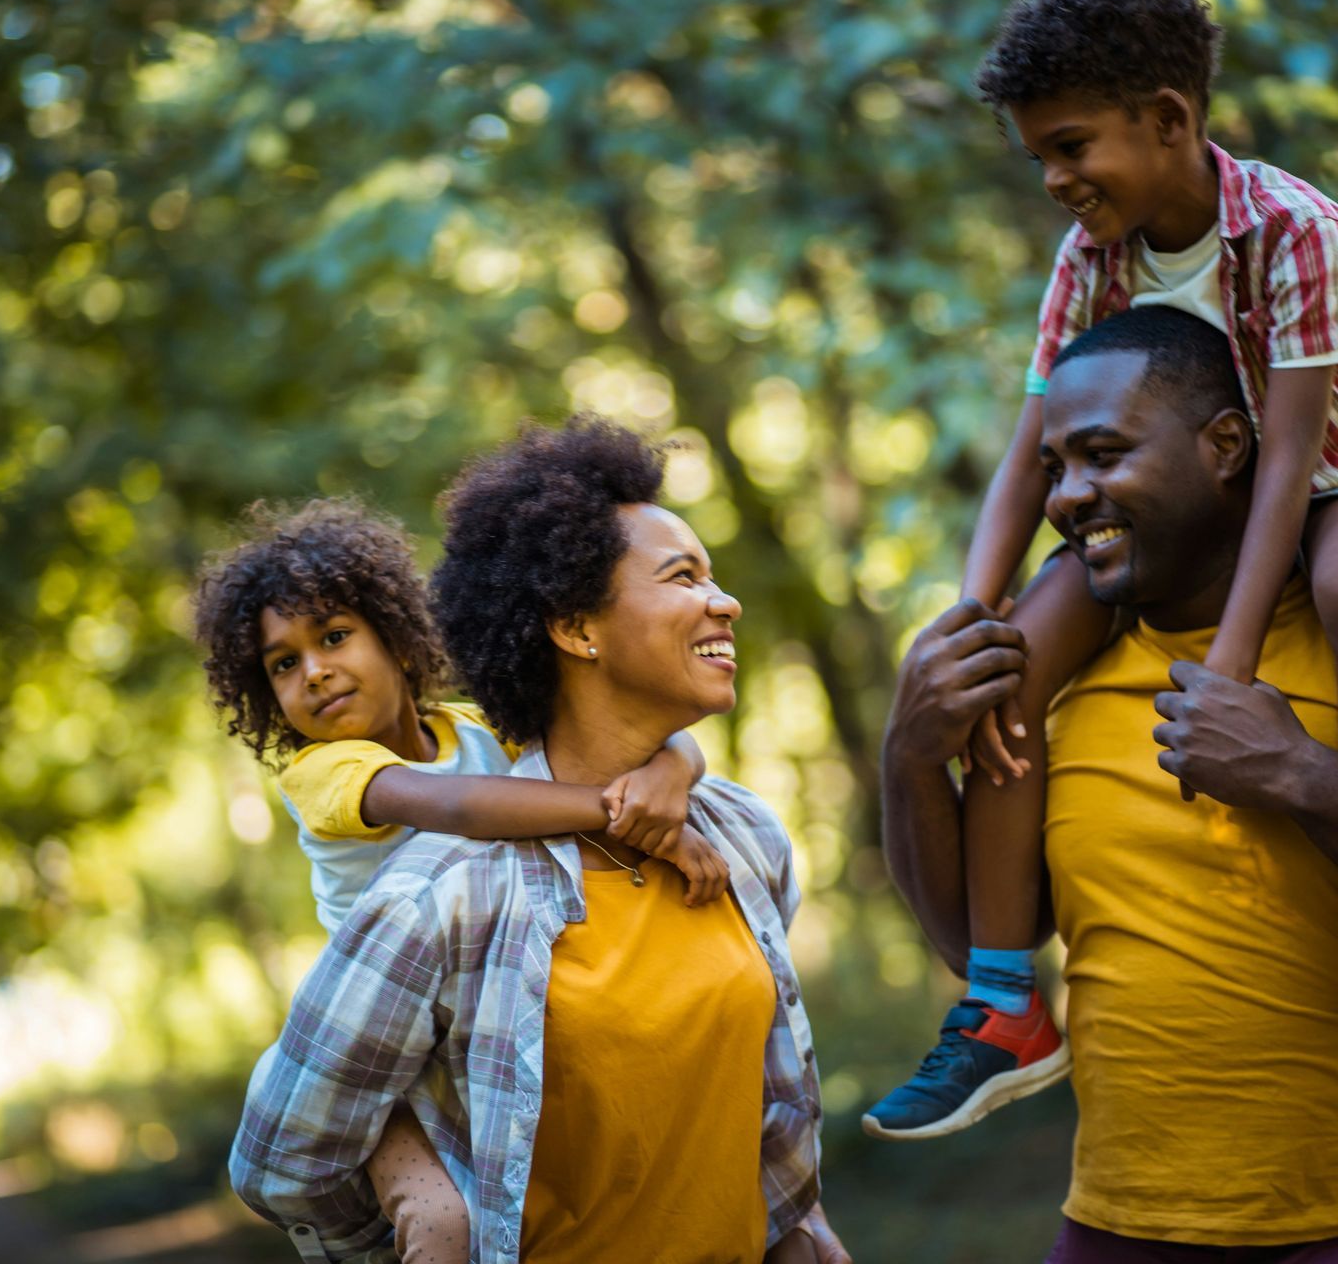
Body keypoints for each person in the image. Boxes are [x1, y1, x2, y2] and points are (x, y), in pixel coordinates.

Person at [868, 0, 1338, 1140]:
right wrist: (971, 613)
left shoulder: (1299, 229)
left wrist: (1229, 668)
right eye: (1039, 153)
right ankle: (1002, 1003)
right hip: (1179, 514)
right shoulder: (1090, 257)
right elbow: (1024, 456)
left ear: (1168, 119)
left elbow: (1291, 454)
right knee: (1007, 664)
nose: (1055, 177)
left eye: (1071, 146)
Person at [881, 305, 1338, 1258]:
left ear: (1226, 446)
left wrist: (1302, 773)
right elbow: (973, 943)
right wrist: (910, 757)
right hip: (1114, 1231)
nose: (1066, 497)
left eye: (1104, 454)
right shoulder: (1049, 682)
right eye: (1054, 469)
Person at [228, 418, 849, 1264]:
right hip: (374, 1027)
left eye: (335, 638)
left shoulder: (740, 837)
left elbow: (765, 1108)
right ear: (574, 627)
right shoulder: (424, 875)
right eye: (683, 576)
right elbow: (287, 1153)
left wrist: (800, 1230)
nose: (724, 599)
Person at [194, 496, 729, 1263]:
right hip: (384, 1050)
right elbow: (459, 806)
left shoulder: (473, 725)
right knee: (448, 1228)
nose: (315, 671)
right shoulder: (326, 772)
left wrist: (671, 774)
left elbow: (640, 738)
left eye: (336, 636)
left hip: (477, 1021)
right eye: (284, 663)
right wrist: (625, 815)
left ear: (400, 641)